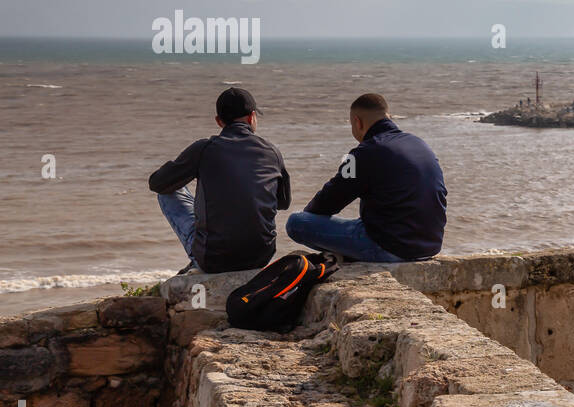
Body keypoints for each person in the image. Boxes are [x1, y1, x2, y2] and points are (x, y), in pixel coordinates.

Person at [287, 93, 446, 262]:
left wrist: (310, 217)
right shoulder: (419, 143)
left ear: (358, 122)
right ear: (388, 116)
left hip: (390, 248)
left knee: (296, 222)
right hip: (430, 246)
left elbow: (329, 200)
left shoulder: (364, 152)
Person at [148, 87, 291, 274]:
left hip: (215, 260)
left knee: (169, 193)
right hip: (261, 256)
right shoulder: (272, 151)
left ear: (219, 121)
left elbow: (157, 184)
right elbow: (283, 203)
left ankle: (197, 259)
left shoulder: (204, 149)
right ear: (252, 117)